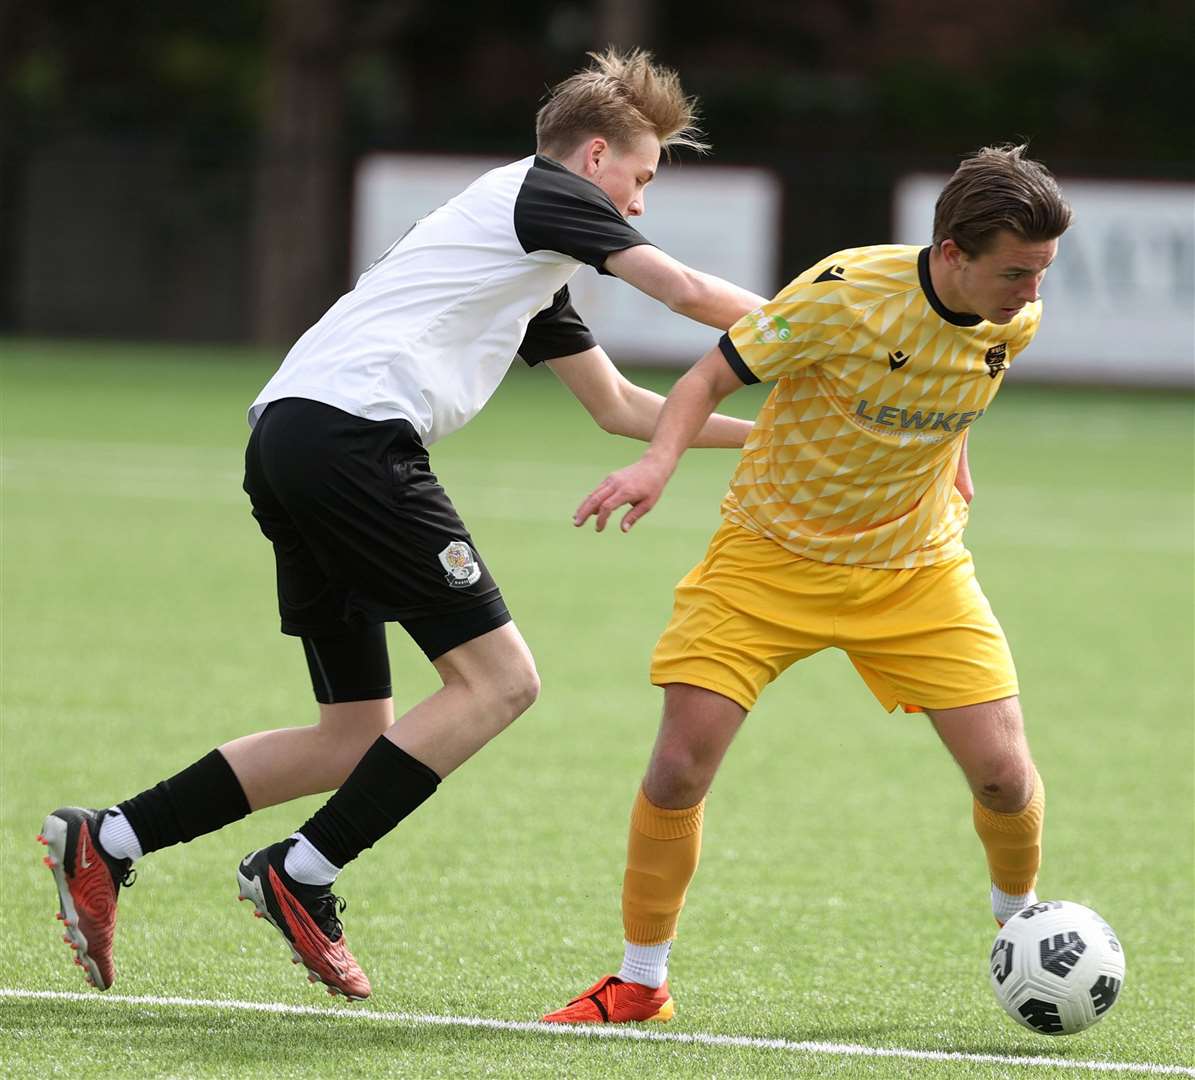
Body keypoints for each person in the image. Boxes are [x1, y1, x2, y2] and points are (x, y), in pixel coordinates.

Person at [37, 47, 766, 1000]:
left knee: (353, 733)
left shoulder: (516, 246)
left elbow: (623, 408)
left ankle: (110, 839)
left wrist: (770, 441)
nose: (638, 203)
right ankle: (302, 872)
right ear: (594, 158)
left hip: (290, 437)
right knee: (501, 682)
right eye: (640, 177)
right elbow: (687, 295)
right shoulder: (544, 195)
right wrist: (847, 336)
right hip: (353, 442)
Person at [542, 145, 1072, 1024]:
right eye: (1015, 271)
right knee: (677, 770)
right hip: (767, 558)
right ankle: (640, 980)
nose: (1030, 292)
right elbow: (707, 375)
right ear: (951, 254)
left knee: (1004, 780)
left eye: (1042, 272)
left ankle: (1021, 929)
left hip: (915, 569)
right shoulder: (841, 296)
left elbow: (964, 375)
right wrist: (657, 464)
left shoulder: (1012, 315)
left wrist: (955, 458)